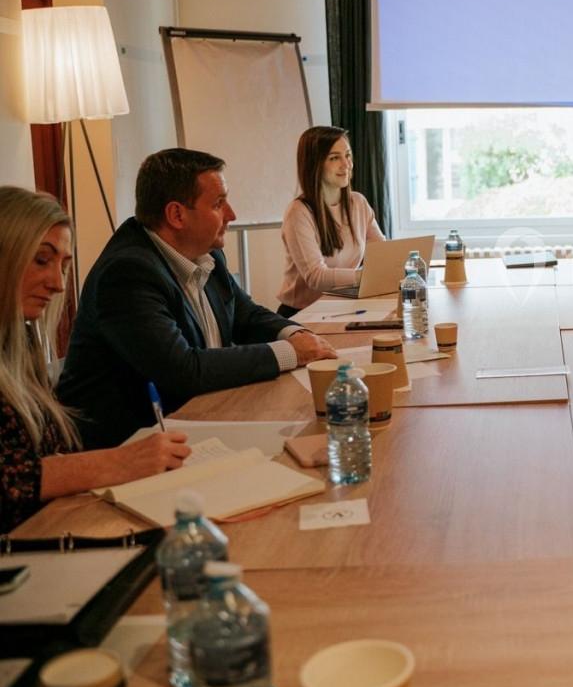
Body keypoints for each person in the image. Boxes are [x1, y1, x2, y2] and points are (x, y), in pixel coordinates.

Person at [57, 149, 337, 449]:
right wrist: (293, 352)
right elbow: (182, 369)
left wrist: (298, 334)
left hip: (199, 421)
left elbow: (245, 313)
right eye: (218, 204)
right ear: (176, 214)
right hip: (127, 448)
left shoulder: (206, 251)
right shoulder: (127, 273)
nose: (232, 214)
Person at [0, 187, 190, 533]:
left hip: (53, 527)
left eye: (64, 265)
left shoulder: (20, 339)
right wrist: (116, 462)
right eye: (42, 260)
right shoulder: (130, 268)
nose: (58, 284)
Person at [277, 126, 385, 316]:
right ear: (315, 164)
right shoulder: (298, 212)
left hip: (342, 306)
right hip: (302, 314)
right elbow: (316, 277)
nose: (346, 164)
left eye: (348, 155)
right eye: (334, 158)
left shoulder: (358, 203)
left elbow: (383, 253)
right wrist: (366, 277)